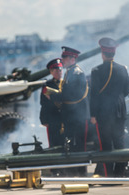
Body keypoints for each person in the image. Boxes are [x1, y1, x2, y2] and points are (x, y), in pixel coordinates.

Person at [90, 37, 129, 177]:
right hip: (120, 110)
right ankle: (120, 174)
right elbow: (128, 89)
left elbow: (94, 95)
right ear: (113, 53)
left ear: (103, 53)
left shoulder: (96, 71)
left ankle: (108, 175)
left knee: (105, 145)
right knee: (119, 143)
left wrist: (93, 114)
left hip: (104, 112)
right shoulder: (123, 69)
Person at [45, 47, 89, 176]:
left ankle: (81, 171)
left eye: (64, 58)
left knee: (79, 145)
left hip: (76, 115)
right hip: (71, 114)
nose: (62, 60)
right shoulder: (70, 72)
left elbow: (70, 95)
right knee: (72, 145)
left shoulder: (76, 73)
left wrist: (53, 96)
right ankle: (75, 170)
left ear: (72, 58)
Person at [40, 58, 64, 147]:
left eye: (60, 70)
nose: (59, 73)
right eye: (56, 71)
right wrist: (44, 119)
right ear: (51, 72)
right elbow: (43, 103)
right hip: (53, 118)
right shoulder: (47, 85)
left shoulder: (66, 82)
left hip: (66, 116)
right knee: (54, 143)